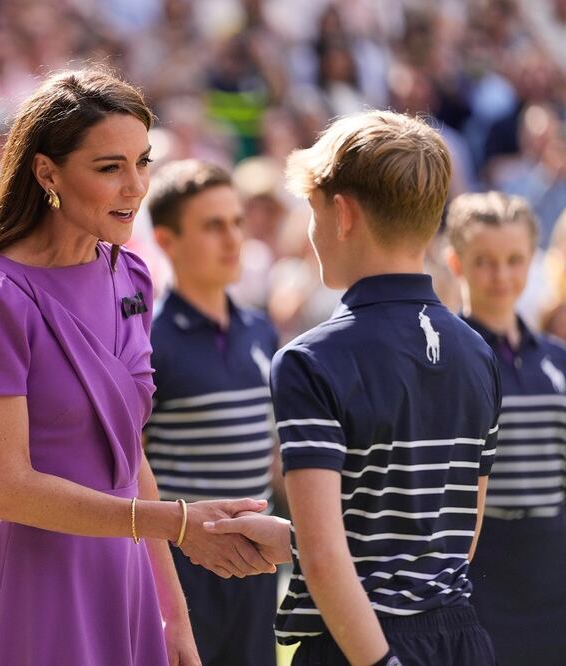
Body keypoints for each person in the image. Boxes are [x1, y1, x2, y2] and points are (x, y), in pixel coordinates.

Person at [0, 68, 272, 666]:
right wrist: (177, 523)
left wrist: (174, 616)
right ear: (47, 173)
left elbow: (128, 453)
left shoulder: (132, 275)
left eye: (143, 162)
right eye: (110, 167)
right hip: (38, 585)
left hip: (130, 573)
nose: (136, 187)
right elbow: (11, 491)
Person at [206, 111, 499, 666]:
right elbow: (445, 545)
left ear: (342, 214)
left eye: (313, 211)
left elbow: (323, 559)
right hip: (462, 642)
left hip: (358, 649)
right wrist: (290, 539)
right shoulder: (477, 352)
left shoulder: (310, 359)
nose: (311, 231)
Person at [144, 159, 279, 666]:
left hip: (257, 569)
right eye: (212, 225)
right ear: (167, 239)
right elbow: (131, 467)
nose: (232, 238)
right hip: (181, 573)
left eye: (237, 223)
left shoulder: (261, 331)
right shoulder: (147, 341)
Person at [444, 191, 566, 664]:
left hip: (553, 564)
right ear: (456, 263)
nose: (502, 276)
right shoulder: (447, 361)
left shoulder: (556, 360)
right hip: (480, 568)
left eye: (515, 260)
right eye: (485, 261)